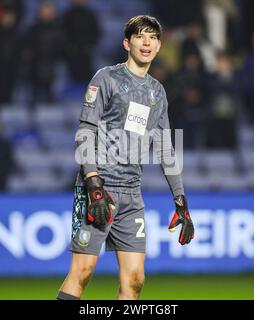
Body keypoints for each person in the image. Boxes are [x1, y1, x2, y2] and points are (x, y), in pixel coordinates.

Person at [57, 15, 195, 301]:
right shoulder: (106, 78)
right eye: (140, 36)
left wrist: (180, 200)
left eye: (153, 37)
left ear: (159, 46)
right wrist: (93, 183)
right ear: (126, 43)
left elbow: (165, 148)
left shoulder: (157, 92)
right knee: (82, 272)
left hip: (132, 195)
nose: (147, 42)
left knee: (135, 280)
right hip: (99, 189)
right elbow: (85, 131)